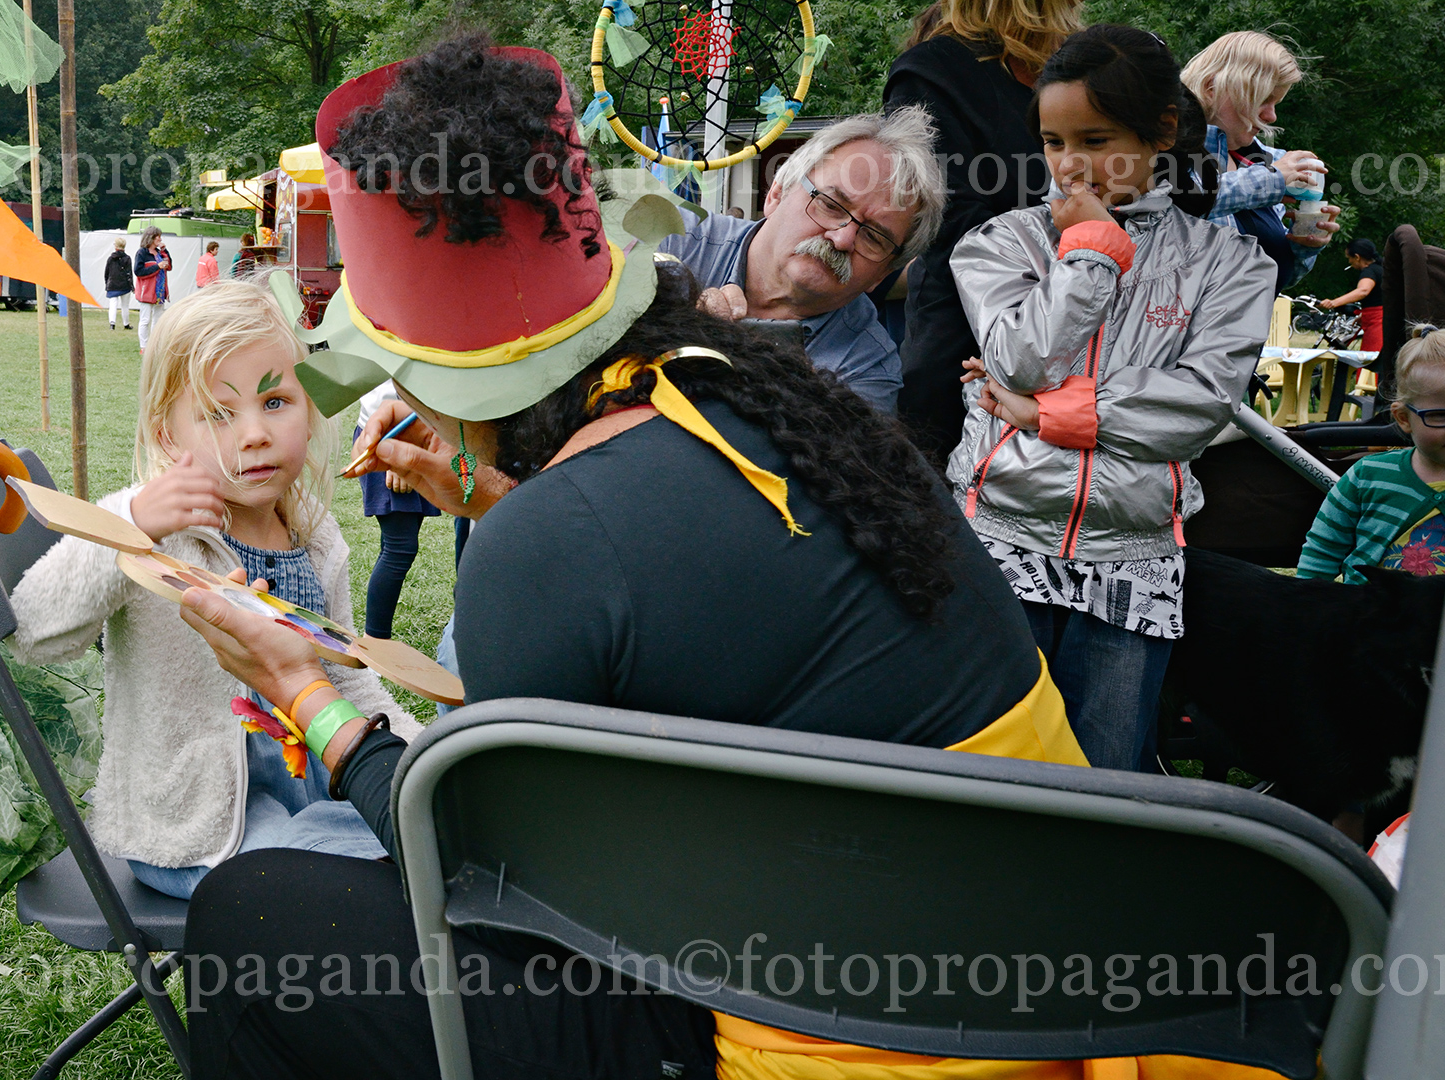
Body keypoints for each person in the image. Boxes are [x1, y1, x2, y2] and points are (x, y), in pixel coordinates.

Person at [167, 35, 1164, 1080]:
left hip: (837, 1040)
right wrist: (507, 501)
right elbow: (678, 585)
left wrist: (307, 693)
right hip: (1055, 992)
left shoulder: (549, 545)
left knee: (253, 910)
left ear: (454, 383)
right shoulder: (772, 404)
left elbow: (486, 874)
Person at [7, 282, 421, 900]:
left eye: (275, 401)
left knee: (428, 836)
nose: (254, 434)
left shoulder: (314, 535)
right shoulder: (155, 534)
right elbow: (33, 632)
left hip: (312, 792)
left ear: (310, 408)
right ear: (168, 436)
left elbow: (344, 675)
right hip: (192, 824)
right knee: (352, 877)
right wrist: (129, 524)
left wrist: (417, 757)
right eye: (219, 413)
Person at [948, 24, 1276, 773]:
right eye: (1053, 142)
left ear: (1161, 131)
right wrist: (1092, 251)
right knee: (985, 770)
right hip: (997, 540)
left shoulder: (1232, 264)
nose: (1070, 165)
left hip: (1134, 558)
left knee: (1106, 779)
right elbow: (1022, 358)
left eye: (1095, 141)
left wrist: (1044, 414)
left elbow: (1199, 407)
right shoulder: (1001, 243)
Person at [884, 0, 1084, 457]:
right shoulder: (934, 71)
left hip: (1085, 340)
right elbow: (946, 221)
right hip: (968, 348)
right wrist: (1084, 248)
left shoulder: (1080, 64)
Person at [656, 110, 944, 414]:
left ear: (883, 274)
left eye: (873, 237)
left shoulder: (865, 370)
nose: (842, 239)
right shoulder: (667, 238)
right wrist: (674, 329)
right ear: (777, 194)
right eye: (830, 205)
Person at [1297, 326, 1445, 581]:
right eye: (1441, 415)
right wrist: (1307, 600)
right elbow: (1322, 551)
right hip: (1369, 606)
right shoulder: (1367, 476)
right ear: (1404, 418)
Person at [1182, 31, 1340, 292]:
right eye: (1263, 99)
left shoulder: (1264, 161)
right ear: (1212, 88)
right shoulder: (1166, 149)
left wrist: (1303, 245)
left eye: (1276, 102)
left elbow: (1278, 281)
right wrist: (1271, 180)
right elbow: (1181, 205)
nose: (1271, 116)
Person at [352, 379, 439, 639]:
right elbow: (397, 380)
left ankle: (375, 640)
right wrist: (396, 454)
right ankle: (375, 641)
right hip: (391, 433)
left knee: (396, 544)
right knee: (400, 547)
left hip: (412, 430)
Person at [1319, 237, 1385, 354]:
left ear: (1357, 257)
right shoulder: (1381, 269)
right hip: (1384, 318)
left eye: (1349, 258)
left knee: (1370, 358)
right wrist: (1363, 316)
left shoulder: (1369, 271)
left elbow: (1363, 291)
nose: (1349, 261)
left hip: (1377, 322)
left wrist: (1333, 302)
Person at [133, 226, 172, 352]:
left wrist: (165, 251)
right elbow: (138, 272)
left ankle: (154, 345)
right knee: (145, 320)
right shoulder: (142, 253)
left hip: (160, 291)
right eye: (157, 236)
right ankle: (144, 346)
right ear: (150, 238)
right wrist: (157, 267)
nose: (160, 239)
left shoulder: (159, 252)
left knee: (158, 320)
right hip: (147, 292)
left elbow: (169, 266)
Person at [104, 238, 134, 330]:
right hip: (125, 284)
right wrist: (132, 285)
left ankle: (112, 324)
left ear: (116, 246)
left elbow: (106, 273)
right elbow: (129, 273)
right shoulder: (127, 258)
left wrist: (107, 283)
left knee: (113, 305)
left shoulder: (110, 259)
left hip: (113, 284)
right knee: (125, 306)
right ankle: (126, 324)